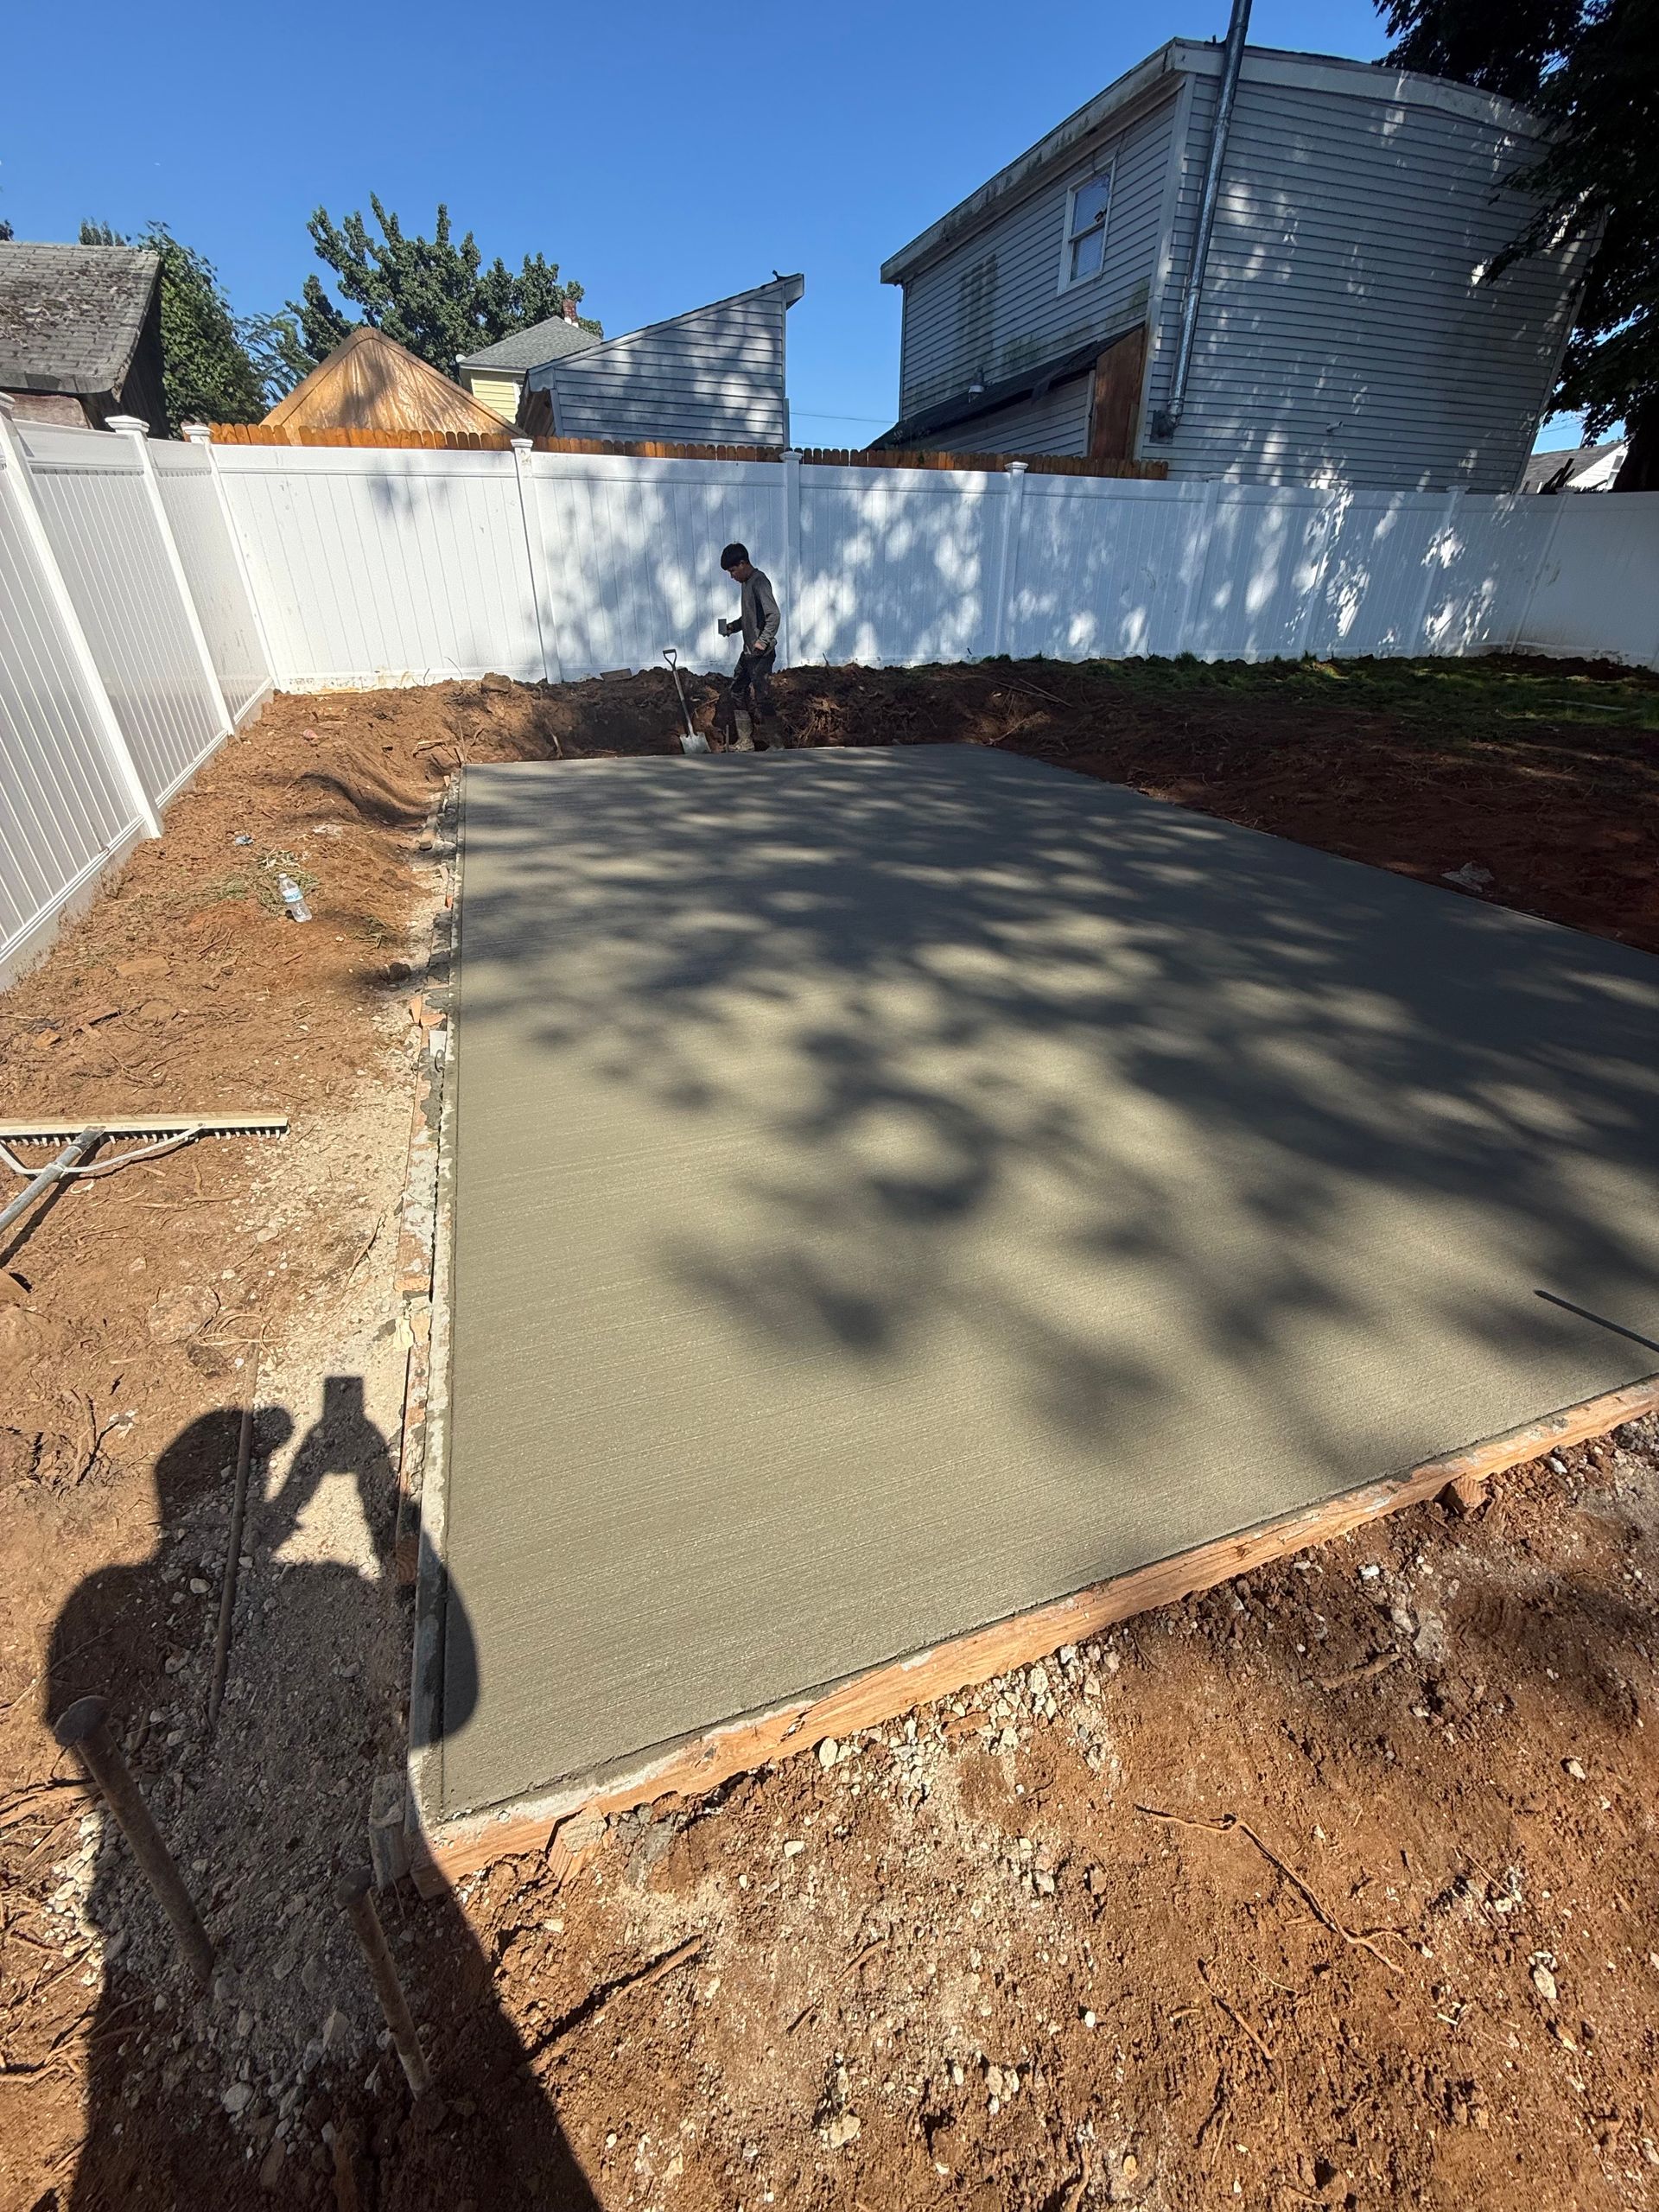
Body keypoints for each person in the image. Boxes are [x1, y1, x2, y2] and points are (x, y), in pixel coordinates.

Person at [715, 542, 784, 749]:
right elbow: (749, 617)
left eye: (733, 571)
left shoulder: (759, 582)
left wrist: (763, 642)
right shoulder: (746, 584)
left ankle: (777, 743)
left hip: (761, 654)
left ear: (744, 563)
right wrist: (732, 627)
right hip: (749, 652)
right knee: (737, 689)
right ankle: (746, 741)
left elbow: (774, 615)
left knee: (762, 697)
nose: (732, 576)